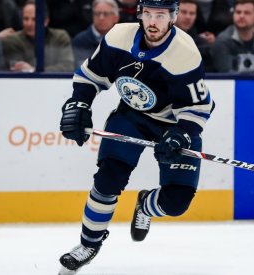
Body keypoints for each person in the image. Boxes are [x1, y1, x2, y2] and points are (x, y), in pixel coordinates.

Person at [58, 0, 215, 274]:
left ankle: (145, 205)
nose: (153, 22)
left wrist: (182, 135)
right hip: (132, 117)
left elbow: (198, 108)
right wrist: (79, 104)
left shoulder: (185, 53)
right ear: (141, 14)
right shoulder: (119, 36)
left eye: (161, 15)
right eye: (149, 14)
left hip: (173, 125)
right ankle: (88, 245)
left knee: (176, 203)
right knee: (108, 179)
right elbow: (90, 76)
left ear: (173, 17)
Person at [1, 0, 74, 72]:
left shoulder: (60, 37)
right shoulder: (13, 40)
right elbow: (19, 69)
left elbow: (68, 66)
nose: (29, 24)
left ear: (46, 21)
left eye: (34, 19)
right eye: (26, 19)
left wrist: (33, 71)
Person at [212, 0, 254, 73]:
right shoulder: (223, 41)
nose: (241, 16)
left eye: (247, 13)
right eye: (238, 12)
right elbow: (226, 75)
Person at [72, 0, 120, 68]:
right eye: (97, 14)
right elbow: (79, 68)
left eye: (106, 14)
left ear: (116, 18)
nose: (101, 18)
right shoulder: (80, 40)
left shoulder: (123, 40)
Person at [175, 0, 214, 71]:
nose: (188, 17)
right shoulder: (160, 39)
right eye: (184, 12)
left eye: (192, 13)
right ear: (175, 13)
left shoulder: (203, 45)